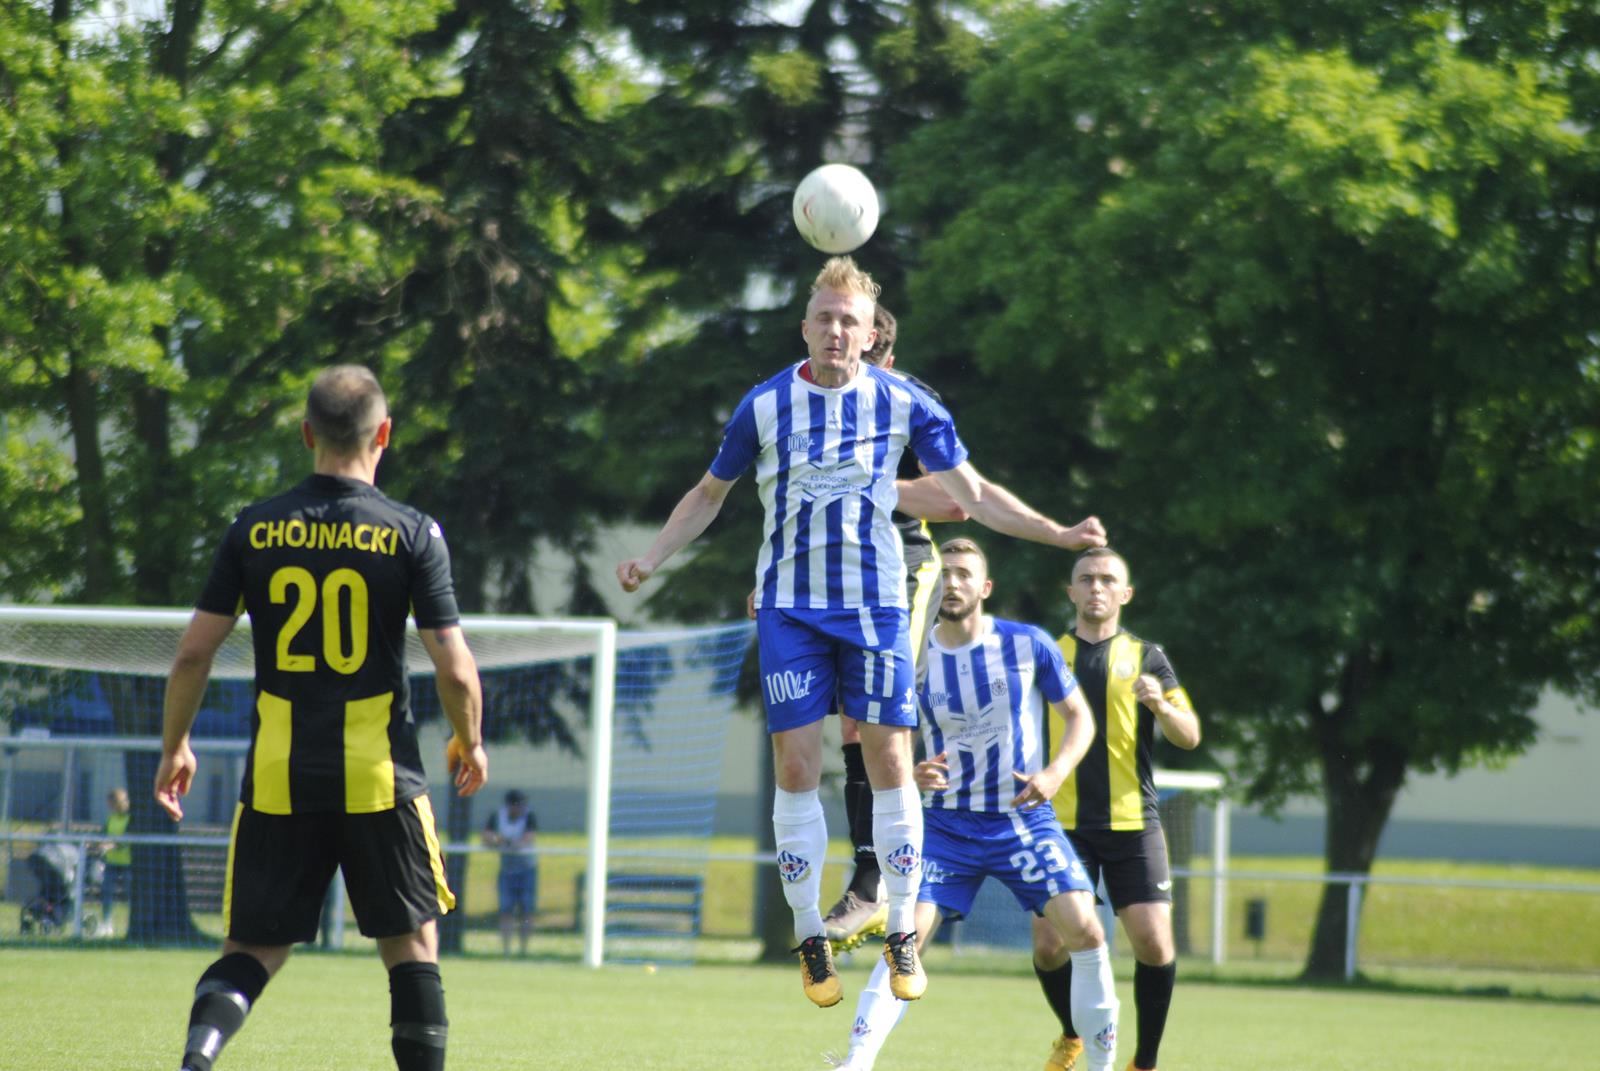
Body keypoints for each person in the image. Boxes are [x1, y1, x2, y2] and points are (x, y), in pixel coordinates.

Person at [617, 255, 1107, 1009]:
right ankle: (811, 930)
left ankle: (901, 927)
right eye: (825, 317)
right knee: (795, 767)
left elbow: (969, 497)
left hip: (875, 604)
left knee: (888, 755)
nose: (838, 331)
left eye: (852, 320)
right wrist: (651, 555)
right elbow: (709, 493)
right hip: (790, 605)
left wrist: (1056, 531)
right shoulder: (766, 404)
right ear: (805, 327)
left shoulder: (904, 403)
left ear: (872, 331)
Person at [155, 365, 488, 1071]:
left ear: (307, 433)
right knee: (411, 947)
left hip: (279, 777)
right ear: (384, 435)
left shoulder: (253, 529)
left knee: (251, 951)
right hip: (378, 777)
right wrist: (469, 739)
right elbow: (456, 667)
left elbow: (192, 654)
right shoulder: (412, 532)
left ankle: (196, 1060)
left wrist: (174, 745)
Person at [826, 538, 1120, 1071]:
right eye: (946, 573)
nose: (953, 582)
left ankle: (1100, 1065)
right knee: (905, 942)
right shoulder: (908, 656)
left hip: (1022, 820)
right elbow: (876, 735)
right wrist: (908, 770)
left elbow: (1080, 717)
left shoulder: (1028, 644)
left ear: (984, 588)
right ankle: (854, 1062)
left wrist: (1054, 774)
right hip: (942, 826)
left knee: (1086, 930)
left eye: (964, 573)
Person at [1033, 547, 1201, 1071]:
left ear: (1125, 594)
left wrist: (1161, 703)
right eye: (1087, 579)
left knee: (1153, 944)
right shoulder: (1044, 653)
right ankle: (1071, 1035)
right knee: (1047, 945)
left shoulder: (1149, 657)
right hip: (1059, 826)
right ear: (1071, 592)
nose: (1097, 587)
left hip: (1134, 824)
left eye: (1108, 580)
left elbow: (1190, 736)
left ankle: (1144, 1062)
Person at [485, 789, 538, 955]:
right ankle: (506, 950)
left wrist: (503, 841)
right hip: (507, 871)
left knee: (526, 911)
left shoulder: (529, 817)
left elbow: (525, 840)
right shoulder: (497, 816)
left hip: (527, 870)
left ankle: (524, 950)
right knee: (506, 910)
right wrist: (502, 841)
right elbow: (487, 838)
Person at [97, 786, 132, 937]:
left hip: (128, 863)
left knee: (131, 894)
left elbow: (126, 839)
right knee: (106, 892)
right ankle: (106, 924)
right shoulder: (111, 818)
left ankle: (134, 924)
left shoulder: (131, 819)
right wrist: (95, 843)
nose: (112, 807)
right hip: (111, 862)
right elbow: (103, 834)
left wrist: (111, 845)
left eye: (114, 804)